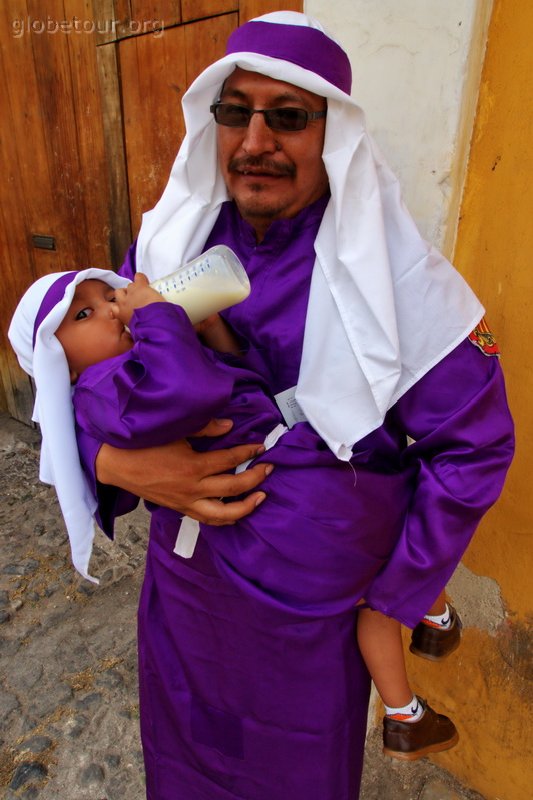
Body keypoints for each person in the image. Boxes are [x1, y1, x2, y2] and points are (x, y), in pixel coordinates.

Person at [17, 12, 514, 800]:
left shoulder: (399, 282)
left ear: (332, 132)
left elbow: (473, 449)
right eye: (235, 112)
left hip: (305, 616)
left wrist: (392, 600)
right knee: (183, 764)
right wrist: (116, 462)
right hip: (184, 593)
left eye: (287, 117)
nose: (254, 142)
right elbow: (80, 377)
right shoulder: (168, 249)